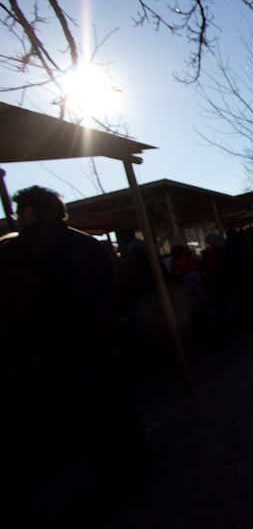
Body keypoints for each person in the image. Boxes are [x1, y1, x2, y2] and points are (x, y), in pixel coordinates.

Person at [0, 185, 151, 503]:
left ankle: (115, 482)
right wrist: (117, 319)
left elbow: (17, 307)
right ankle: (140, 461)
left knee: (84, 419)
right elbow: (124, 285)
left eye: (18, 212)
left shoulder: (18, 250)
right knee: (116, 400)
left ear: (28, 212)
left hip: (60, 351)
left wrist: (21, 350)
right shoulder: (89, 243)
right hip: (103, 340)